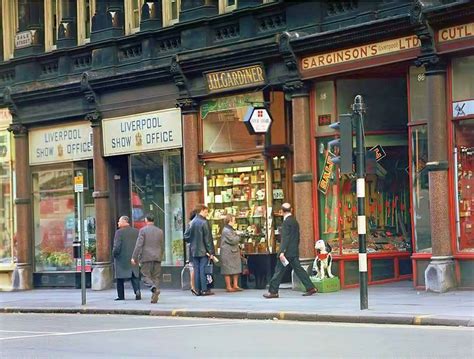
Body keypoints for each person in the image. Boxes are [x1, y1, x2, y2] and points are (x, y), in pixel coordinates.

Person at [263, 203, 318, 299]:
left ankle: (273, 291)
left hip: (286, 252)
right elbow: (297, 238)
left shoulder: (286, 222)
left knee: (278, 271)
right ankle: (310, 287)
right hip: (293, 251)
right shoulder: (294, 221)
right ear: (291, 209)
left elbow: (285, 238)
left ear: (282, 211)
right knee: (299, 270)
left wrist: (282, 251)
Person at [131, 213, 164, 304]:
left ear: (146, 220)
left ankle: (153, 288)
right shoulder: (160, 231)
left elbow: (139, 245)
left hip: (146, 257)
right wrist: (161, 255)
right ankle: (154, 296)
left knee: (145, 276)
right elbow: (162, 245)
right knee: (156, 276)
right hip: (157, 257)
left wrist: (134, 257)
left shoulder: (142, 230)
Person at [184, 204, 215, 296]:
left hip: (194, 250)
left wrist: (192, 241)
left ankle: (197, 289)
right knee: (203, 270)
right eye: (206, 212)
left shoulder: (191, 222)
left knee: (196, 269)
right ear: (201, 211)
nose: (207, 214)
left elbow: (186, 236)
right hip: (203, 250)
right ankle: (204, 289)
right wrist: (211, 252)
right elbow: (208, 239)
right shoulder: (204, 222)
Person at [112, 215, 141, 301]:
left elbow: (117, 246)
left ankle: (121, 296)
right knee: (134, 276)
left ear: (125, 221)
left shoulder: (119, 232)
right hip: (133, 258)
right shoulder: (136, 231)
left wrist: (114, 254)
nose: (118, 223)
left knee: (120, 278)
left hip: (121, 259)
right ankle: (137, 291)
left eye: (119, 221)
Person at [220, 214, 243, 292]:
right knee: (227, 270)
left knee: (235, 269)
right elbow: (233, 240)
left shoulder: (230, 229)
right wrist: (239, 235)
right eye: (234, 220)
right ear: (230, 221)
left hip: (233, 252)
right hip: (228, 253)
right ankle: (229, 286)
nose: (235, 222)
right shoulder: (226, 230)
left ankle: (235, 285)